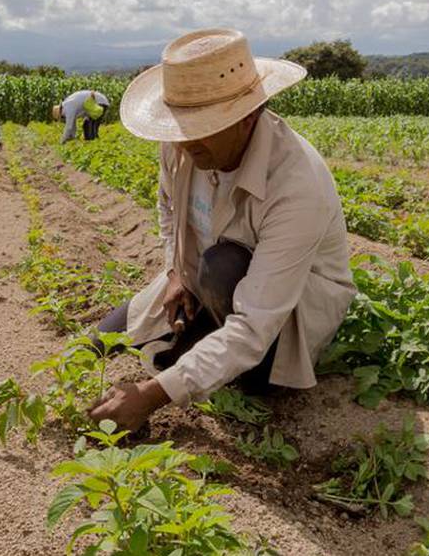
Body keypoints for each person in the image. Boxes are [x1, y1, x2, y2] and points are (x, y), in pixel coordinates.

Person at [87, 28, 357, 433]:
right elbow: (167, 206)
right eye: (179, 128)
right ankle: (200, 333)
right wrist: (176, 271)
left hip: (281, 314)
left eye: (201, 127)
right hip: (202, 282)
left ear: (247, 117)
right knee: (99, 342)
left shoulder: (297, 185)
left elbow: (253, 327)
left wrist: (152, 395)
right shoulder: (181, 145)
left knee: (223, 266)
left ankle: (236, 369)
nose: (183, 144)